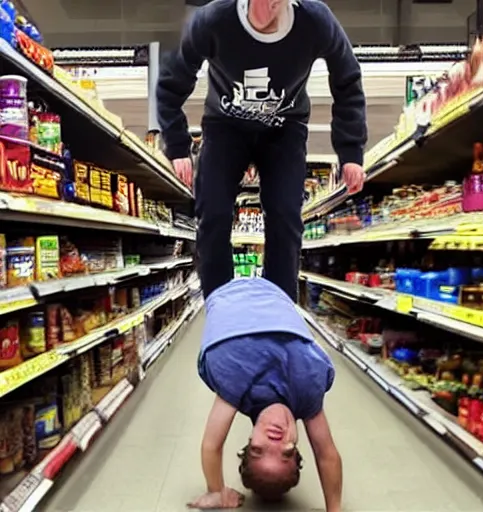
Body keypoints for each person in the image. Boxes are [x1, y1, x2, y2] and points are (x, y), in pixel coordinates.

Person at [158, 0, 367, 302]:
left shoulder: (316, 20)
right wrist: (177, 146)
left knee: (284, 215)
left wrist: (350, 152)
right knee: (212, 212)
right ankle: (219, 303)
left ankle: (279, 305)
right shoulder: (213, 20)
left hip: (285, 129)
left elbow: (347, 79)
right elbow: (169, 85)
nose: (261, 10)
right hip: (224, 126)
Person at [190, 278, 341, 510]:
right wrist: (335, 509)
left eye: (259, 450)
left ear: (249, 442)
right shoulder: (308, 390)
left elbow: (211, 445)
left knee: (212, 244)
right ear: (297, 448)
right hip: (276, 290)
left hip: (223, 290)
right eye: (287, 453)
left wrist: (216, 492)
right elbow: (326, 453)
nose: (275, 440)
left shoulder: (234, 385)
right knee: (286, 244)